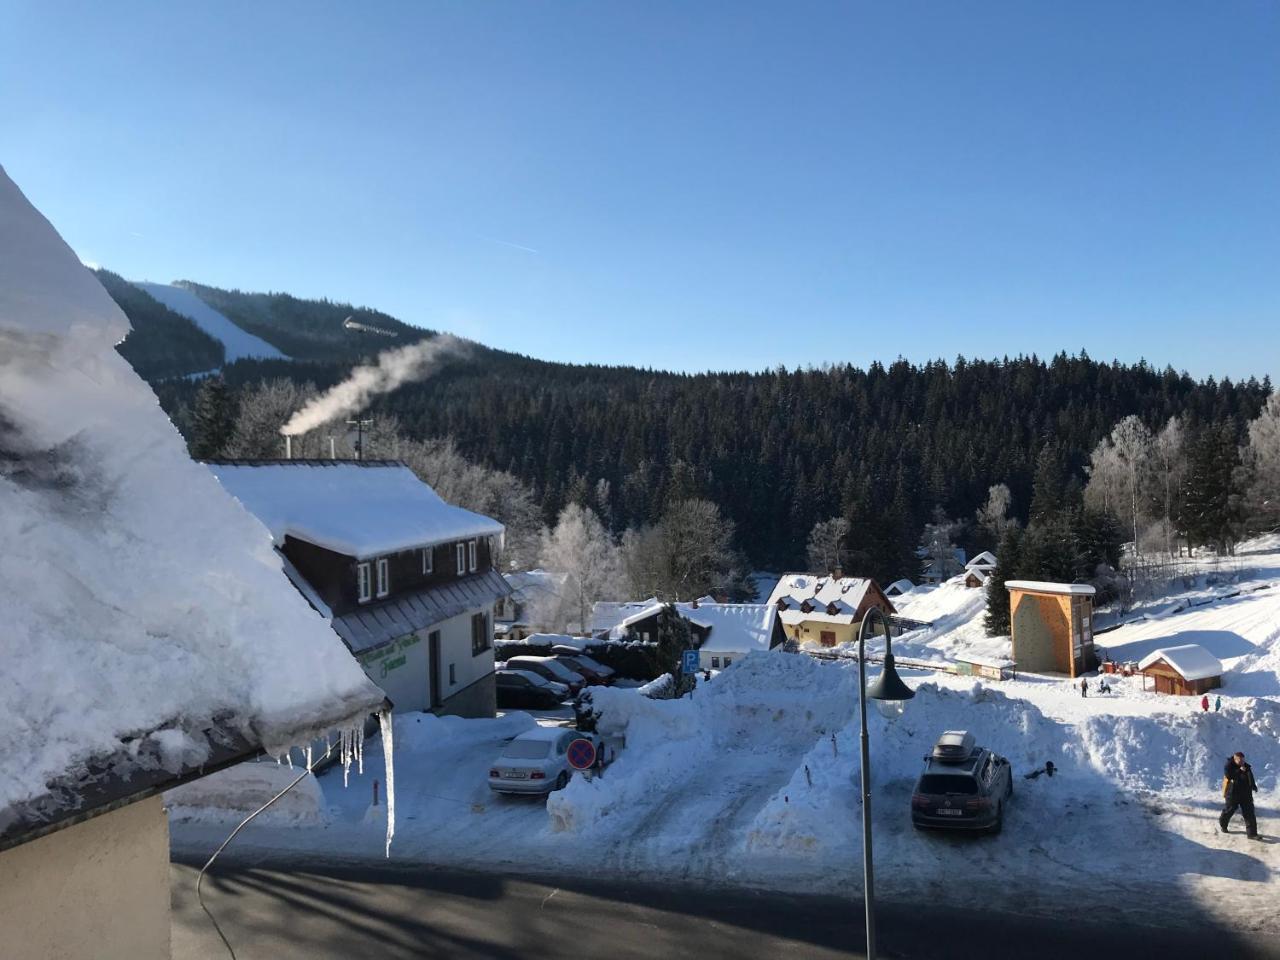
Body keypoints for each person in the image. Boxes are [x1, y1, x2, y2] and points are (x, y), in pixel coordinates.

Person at [1219, 752, 1259, 840]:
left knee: (1249, 813)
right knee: (1229, 810)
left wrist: (1253, 785)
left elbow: (1250, 776)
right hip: (1232, 794)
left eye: (1243, 760)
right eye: (1239, 760)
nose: (1241, 762)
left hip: (1246, 794)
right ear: (1234, 759)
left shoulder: (1246, 766)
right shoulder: (1229, 766)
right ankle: (1223, 824)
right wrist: (1240, 770)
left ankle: (1252, 834)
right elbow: (1229, 776)